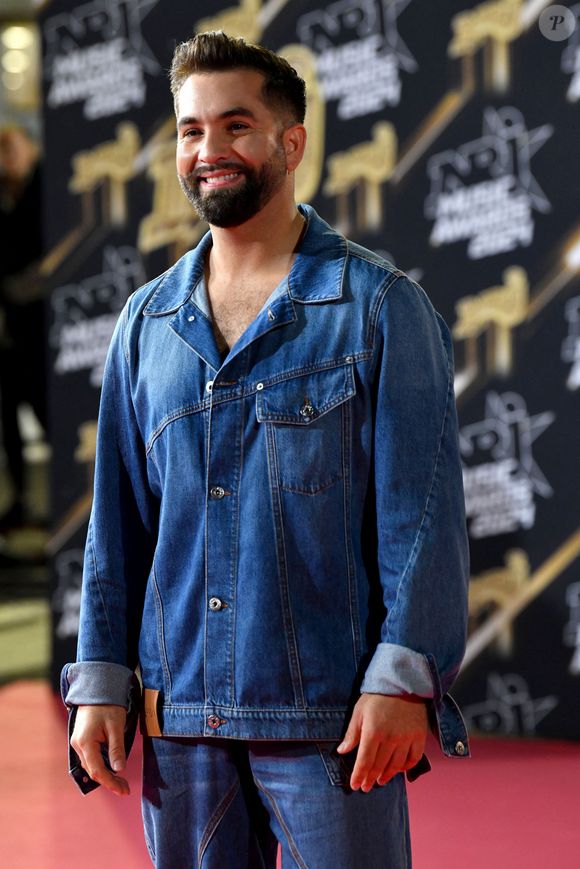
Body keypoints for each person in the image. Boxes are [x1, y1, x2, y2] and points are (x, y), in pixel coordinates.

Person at [63, 31, 470, 868]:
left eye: (235, 125)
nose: (208, 150)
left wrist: (402, 678)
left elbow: (422, 516)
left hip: (329, 720)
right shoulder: (145, 324)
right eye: (189, 130)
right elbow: (118, 525)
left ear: (292, 143)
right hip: (178, 721)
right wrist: (99, 676)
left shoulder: (380, 306)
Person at [0, 125, 46, 531]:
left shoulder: (45, 191)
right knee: (9, 423)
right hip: (12, 332)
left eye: (10, 149)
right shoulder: (6, 196)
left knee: (48, 414)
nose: (5, 159)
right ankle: (20, 501)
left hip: (41, 330)